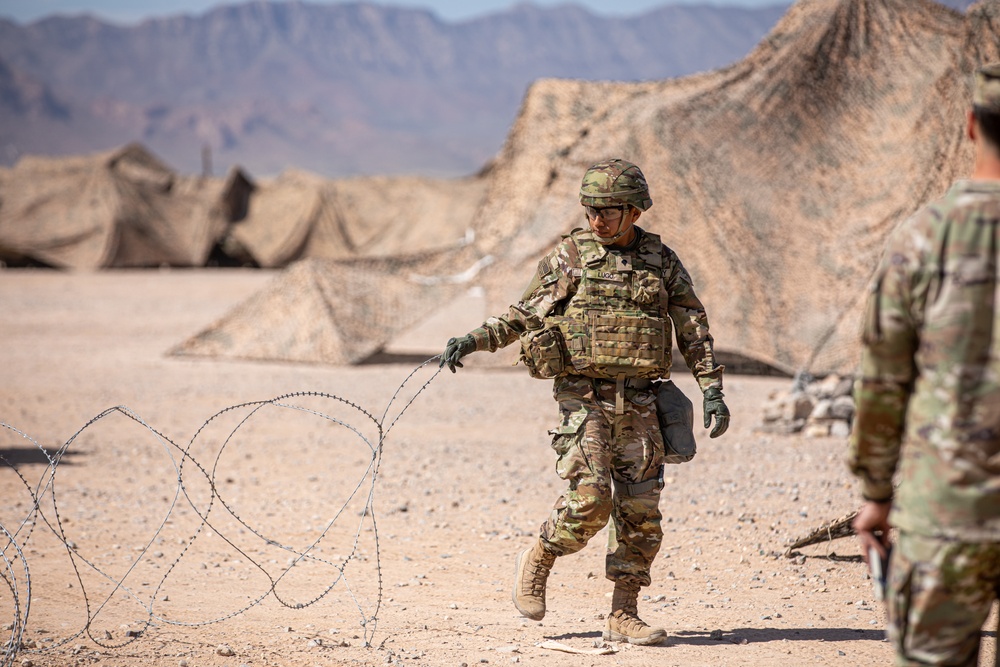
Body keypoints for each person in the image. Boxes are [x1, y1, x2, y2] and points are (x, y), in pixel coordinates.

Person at [440, 158, 730, 646]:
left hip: (641, 401)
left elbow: (692, 327)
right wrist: (475, 340)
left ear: (634, 211)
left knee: (641, 511)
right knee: (592, 501)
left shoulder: (661, 261)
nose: (598, 220)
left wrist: (712, 388)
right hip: (585, 399)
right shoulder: (571, 257)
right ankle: (541, 555)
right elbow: (522, 314)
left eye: (609, 211)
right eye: (591, 209)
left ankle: (624, 612)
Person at [849, 63, 1000, 667]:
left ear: (969, 126)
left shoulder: (925, 238)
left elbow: (883, 382)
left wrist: (877, 494)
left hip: (946, 513)